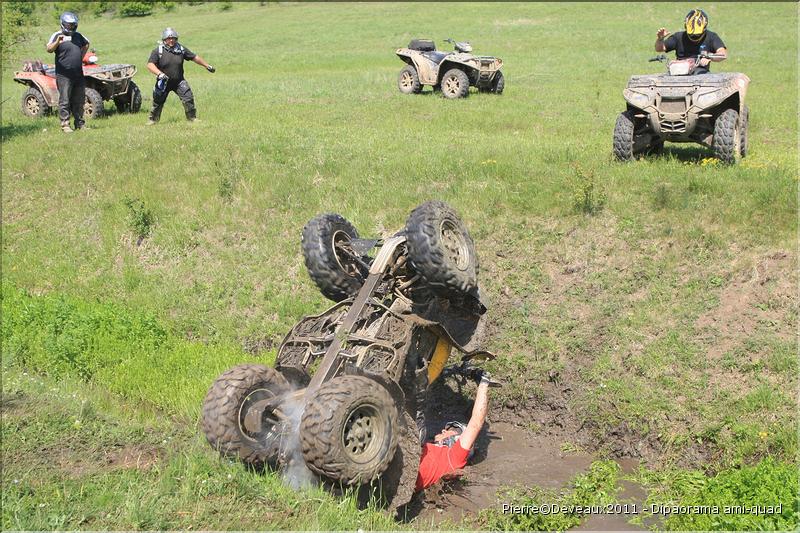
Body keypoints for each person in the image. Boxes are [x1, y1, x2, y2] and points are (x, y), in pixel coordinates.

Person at [415, 369, 492, 491]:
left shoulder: (453, 459)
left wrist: (484, 382)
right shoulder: (428, 446)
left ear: (456, 441)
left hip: (409, 476)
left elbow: (476, 423)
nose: (444, 431)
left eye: (451, 430)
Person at [146, 27, 215, 125]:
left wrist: (207, 65)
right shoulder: (157, 51)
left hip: (179, 81)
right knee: (158, 102)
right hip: (163, 82)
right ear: (164, 40)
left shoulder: (181, 49)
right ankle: (153, 120)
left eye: (173, 38)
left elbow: (194, 57)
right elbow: (150, 65)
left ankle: (192, 118)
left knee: (188, 98)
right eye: (169, 38)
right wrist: (159, 74)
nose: (171, 40)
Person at [46, 12, 90, 133]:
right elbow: (49, 49)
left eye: (72, 25)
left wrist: (81, 57)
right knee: (64, 100)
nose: (70, 27)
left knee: (79, 100)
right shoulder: (57, 35)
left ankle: (80, 124)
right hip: (63, 75)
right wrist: (57, 42)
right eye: (68, 25)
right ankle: (65, 124)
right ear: (63, 24)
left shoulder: (78, 36)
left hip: (78, 74)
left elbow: (87, 43)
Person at [655, 8, 727, 74]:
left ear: (704, 28)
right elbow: (660, 48)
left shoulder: (711, 37)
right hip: (679, 70)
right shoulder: (678, 37)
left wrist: (709, 56)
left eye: (697, 34)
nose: (694, 36)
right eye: (691, 34)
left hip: (701, 72)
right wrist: (660, 39)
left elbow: (723, 54)